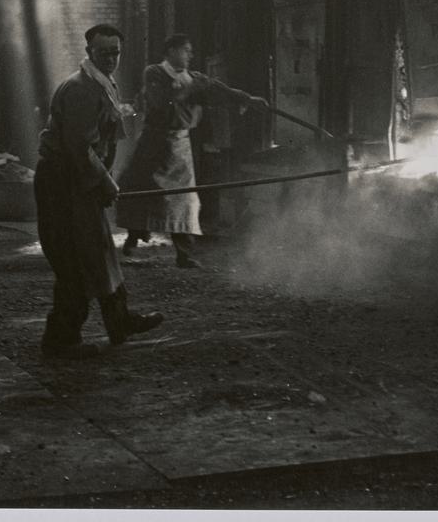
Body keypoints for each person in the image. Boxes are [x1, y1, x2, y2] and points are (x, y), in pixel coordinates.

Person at [35, 23, 164, 359]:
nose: (111, 58)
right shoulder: (81, 89)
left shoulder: (102, 83)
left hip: (80, 179)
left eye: (115, 52)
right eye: (104, 52)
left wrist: (103, 178)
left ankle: (119, 321)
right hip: (62, 183)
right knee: (75, 260)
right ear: (89, 51)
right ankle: (60, 338)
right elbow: (79, 147)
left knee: (100, 250)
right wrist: (106, 182)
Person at [116, 33, 269, 268]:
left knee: (185, 199)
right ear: (170, 52)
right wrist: (189, 89)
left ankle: (184, 254)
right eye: (185, 50)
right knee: (142, 191)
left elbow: (219, 90)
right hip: (153, 142)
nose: (190, 55)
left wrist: (248, 99)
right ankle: (134, 235)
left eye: (190, 50)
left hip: (179, 145)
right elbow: (160, 102)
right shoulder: (155, 73)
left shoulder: (193, 78)